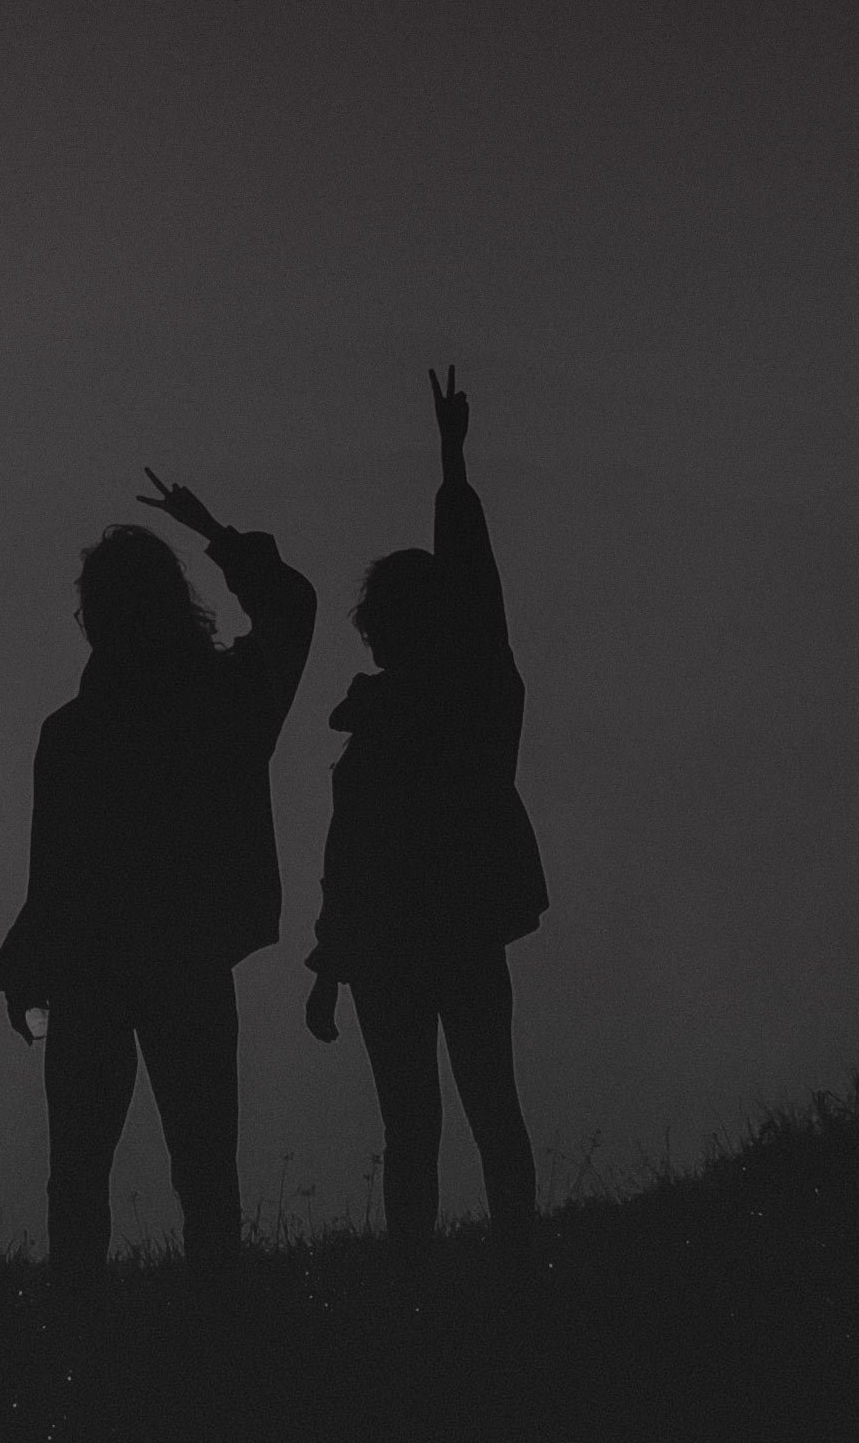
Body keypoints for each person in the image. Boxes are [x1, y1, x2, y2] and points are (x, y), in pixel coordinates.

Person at [0, 469, 315, 1302]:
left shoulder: (72, 733)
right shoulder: (228, 701)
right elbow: (293, 609)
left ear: (94, 618)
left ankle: (78, 1328)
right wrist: (217, 533)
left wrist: (24, 973)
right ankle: (216, 1326)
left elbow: (53, 875)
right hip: (189, 959)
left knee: (79, 1171)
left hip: (90, 971)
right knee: (204, 1164)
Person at [304, 367, 545, 1277]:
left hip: (397, 948)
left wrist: (332, 962)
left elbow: (350, 857)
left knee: (421, 1122)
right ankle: (511, 1269)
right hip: (451, 933)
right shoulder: (473, 699)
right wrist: (451, 467)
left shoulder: (431, 706)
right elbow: (349, 857)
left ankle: (423, 1284)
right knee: (480, 1109)